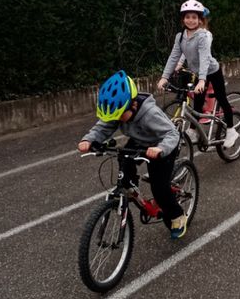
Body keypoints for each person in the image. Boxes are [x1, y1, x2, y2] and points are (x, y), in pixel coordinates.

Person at [77, 70, 188, 239]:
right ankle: (131, 187)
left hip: (161, 145)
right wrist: (89, 140)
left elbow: (172, 134)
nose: (118, 119)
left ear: (133, 105)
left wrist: (160, 149)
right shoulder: (119, 110)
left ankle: (177, 215)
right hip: (139, 142)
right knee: (125, 164)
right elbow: (103, 127)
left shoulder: (150, 114)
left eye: (121, 115)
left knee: (159, 189)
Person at [157, 0, 239, 149]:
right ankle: (194, 131)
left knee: (221, 98)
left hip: (212, 71)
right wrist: (164, 77)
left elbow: (204, 58)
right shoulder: (180, 36)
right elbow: (174, 56)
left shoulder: (204, 36)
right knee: (197, 103)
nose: (191, 20)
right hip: (198, 73)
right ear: (183, 19)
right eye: (187, 17)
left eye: (194, 17)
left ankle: (231, 130)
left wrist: (202, 80)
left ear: (200, 20)